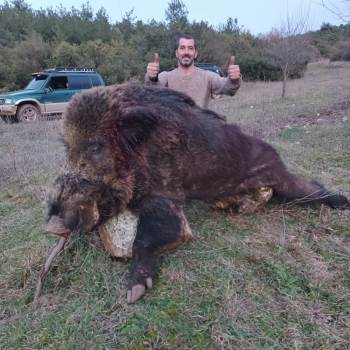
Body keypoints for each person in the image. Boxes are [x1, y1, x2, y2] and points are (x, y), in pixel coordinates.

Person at [145, 34, 241, 109]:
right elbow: (153, 88)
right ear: (176, 53)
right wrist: (152, 77)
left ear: (195, 53)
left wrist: (233, 79)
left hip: (200, 132)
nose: (186, 52)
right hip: (173, 132)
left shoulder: (207, 77)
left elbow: (228, 88)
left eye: (190, 48)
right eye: (182, 48)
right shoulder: (167, 77)